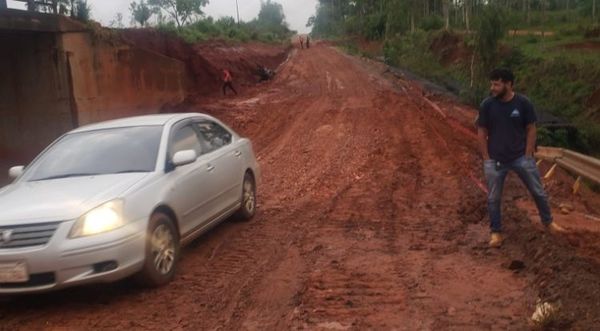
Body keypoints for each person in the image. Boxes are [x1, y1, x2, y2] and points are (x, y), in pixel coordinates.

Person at [476, 68, 566, 248]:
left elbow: (531, 128)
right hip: (495, 160)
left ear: (509, 84)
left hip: (520, 157)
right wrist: (486, 158)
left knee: (538, 192)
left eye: (497, 84)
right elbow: (481, 131)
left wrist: (528, 153)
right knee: (494, 198)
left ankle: (549, 223)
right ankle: (496, 233)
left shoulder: (523, 103)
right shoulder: (487, 105)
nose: (492, 88)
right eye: (492, 83)